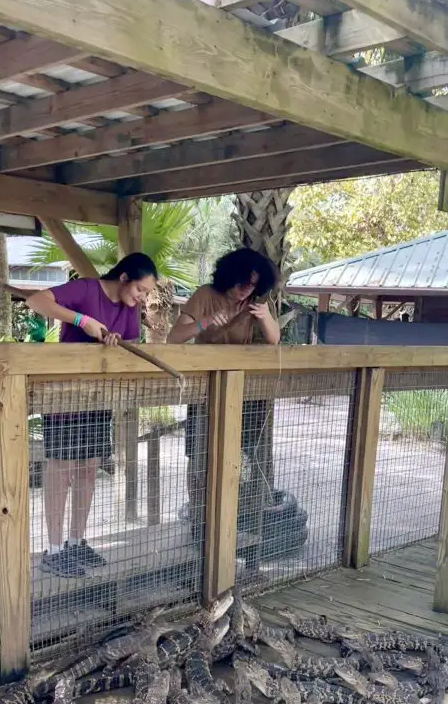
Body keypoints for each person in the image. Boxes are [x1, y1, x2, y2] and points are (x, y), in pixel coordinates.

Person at [26, 253, 157, 576]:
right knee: (61, 469)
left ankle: (76, 541)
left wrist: (115, 341)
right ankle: (53, 549)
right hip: (64, 396)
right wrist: (81, 321)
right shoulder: (86, 290)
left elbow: (131, 342)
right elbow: (36, 301)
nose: (142, 298)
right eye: (140, 290)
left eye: (146, 294)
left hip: (98, 397)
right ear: (124, 277)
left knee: (88, 468)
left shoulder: (130, 309)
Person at [167, 247, 280, 543]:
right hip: (204, 390)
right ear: (230, 276)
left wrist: (266, 317)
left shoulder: (254, 303)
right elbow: (174, 337)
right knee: (200, 456)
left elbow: (274, 341)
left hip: (240, 390)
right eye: (243, 283)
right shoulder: (206, 294)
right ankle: (199, 521)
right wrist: (204, 323)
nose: (246, 291)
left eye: (253, 285)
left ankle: (230, 521)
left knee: (237, 456)